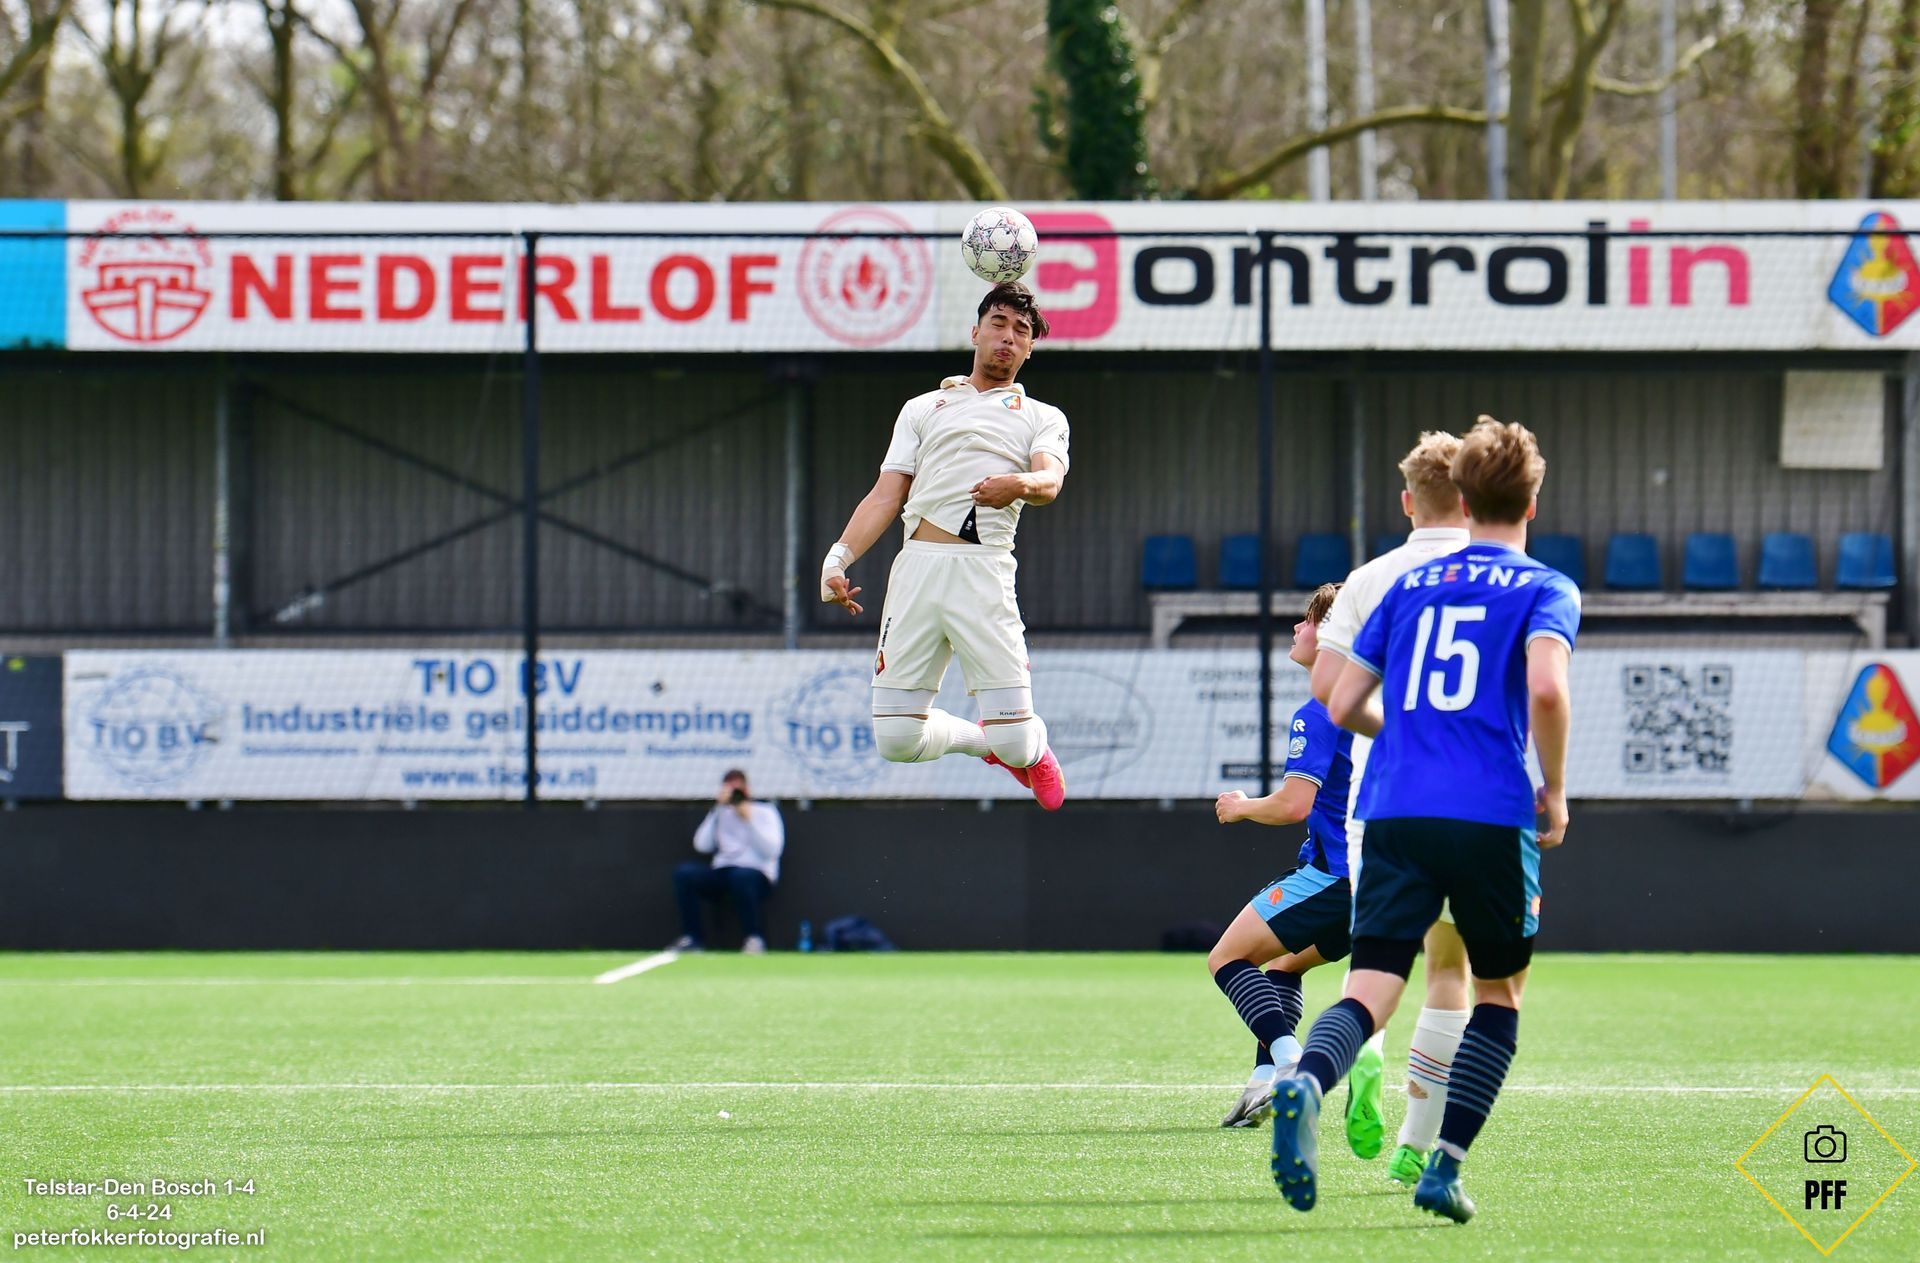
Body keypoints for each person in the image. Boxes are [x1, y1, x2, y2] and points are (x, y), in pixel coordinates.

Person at [1271, 416, 1578, 1225]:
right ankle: (1442, 1164)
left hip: (1393, 807)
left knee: (1371, 987)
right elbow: (1547, 689)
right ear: (1532, 503)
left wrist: (1409, 734)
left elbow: (1341, 699)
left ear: (1462, 498)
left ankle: (1308, 1079)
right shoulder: (1546, 587)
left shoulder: (1402, 585)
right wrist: (1555, 789)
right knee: (1495, 993)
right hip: (1488, 812)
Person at [818, 281, 1069, 811]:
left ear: (1029, 349)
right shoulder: (922, 407)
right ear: (975, 332)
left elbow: (1049, 483)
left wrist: (1017, 484)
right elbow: (886, 495)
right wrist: (838, 558)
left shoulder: (1042, 416)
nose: (1007, 337)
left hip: (983, 573)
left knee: (1018, 742)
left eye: (1021, 331)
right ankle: (984, 744)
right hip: (916, 571)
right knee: (896, 741)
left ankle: (1028, 748)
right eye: (998, 324)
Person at [1307, 431, 1476, 1181]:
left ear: (1408, 502)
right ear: (1470, 500)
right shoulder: (1502, 575)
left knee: (1374, 963)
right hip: (1471, 797)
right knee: (1449, 964)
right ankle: (1417, 1141)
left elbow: (1327, 689)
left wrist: (1402, 727)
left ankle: (1363, 1051)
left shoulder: (1370, 577)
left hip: (1381, 797)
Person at [1208, 583, 1355, 1129]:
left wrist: (1241, 807)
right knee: (1284, 966)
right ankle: (1261, 1084)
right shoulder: (1378, 704)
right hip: (1387, 883)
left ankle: (1293, 1064)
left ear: (1331, 637)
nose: (1297, 627)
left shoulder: (1319, 710)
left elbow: (1294, 805)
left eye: (1308, 619)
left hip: (1336, 876)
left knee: (1226, 959)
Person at [670, 769, 786, 955]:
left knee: (741, 877)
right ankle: (692, 938)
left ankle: (754, 938)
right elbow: (701, 845)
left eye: (738, 790)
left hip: (756, 875)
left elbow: (772, 851)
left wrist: (748, 820)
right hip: (723, 872)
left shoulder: (765, 812)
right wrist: (717, 809)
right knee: (685, 874)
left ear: (747, 790)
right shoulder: (721, 813)